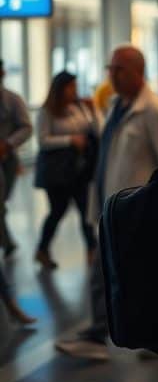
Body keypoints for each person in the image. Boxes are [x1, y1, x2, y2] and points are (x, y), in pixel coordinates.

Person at [55, 46, 158, 361]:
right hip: (111, 209)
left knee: (117, 277)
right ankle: (118, 334)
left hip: (137, 216)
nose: (112, 76)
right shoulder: (118, 107)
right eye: (110, 69)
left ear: (138, 72)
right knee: (108, 274)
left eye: (119, 69)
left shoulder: (154, 111)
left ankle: (100, 334)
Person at [34, 71, 100, 270]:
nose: (74, 91)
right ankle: (42, 249)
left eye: (75, 86)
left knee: (85, 211)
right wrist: (70, 140)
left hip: (80, 169)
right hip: (58, 172)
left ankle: (93, 253)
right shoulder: (47, 112)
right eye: (70, 87)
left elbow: (96, 131)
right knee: (58, 211)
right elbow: (43, 140)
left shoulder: (80, 107)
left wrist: (94, 110)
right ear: (60, 89)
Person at [0, 59, 32, 258]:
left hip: (7, 159)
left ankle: (6, 240)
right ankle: (6, 241)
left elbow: (27, 128)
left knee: (2, 202)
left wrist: (8, 143)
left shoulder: (12, 100)